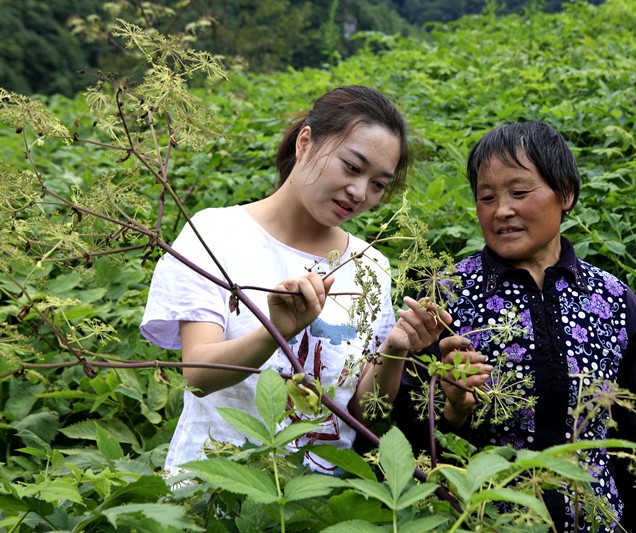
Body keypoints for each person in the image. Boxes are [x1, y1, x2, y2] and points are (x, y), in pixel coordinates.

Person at [141, 85, 449, 475]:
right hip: (215, 488)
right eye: (352, 167)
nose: (359, 192)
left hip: (318, 502)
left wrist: (395, 349)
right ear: (306, 142)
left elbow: (363, 414)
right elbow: (200, 376)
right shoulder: (215, 234)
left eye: (378, 184)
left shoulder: (370, 266)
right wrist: (276, 330)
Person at [394, 120, 636, 531]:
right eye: (486, 197)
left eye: (519, 192)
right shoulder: (446, 295)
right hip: (483, 521)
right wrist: (452, 410)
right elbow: (405, 435)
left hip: (597, 521)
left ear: (566, 194)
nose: (501, 210)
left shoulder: (613, 300)